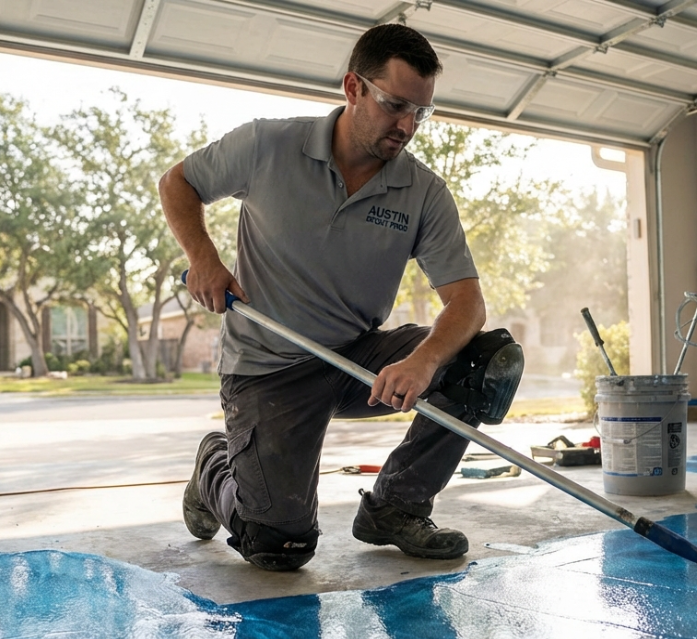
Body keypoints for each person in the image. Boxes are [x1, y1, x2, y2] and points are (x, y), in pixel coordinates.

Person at [158, 23, 522, 572]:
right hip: (268, 371)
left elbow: (467, 302)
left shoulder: (423, 192)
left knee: (484, 359)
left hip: (355, 359)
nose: (408, 125)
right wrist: (204, 258)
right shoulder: (266, 146)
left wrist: (423, 361)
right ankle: (214, 466)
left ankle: (396, 506)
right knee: (279, 547)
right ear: (353, 88)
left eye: (420, 112)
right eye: (396, 104)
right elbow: (176, 183)